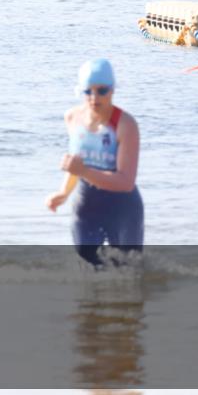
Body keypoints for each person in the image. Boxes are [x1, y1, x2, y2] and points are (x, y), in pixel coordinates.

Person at [46, 59, 144, 267]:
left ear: (113, 90)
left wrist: (83, 170)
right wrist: (63, 193)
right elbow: (76, 164)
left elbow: (125, 181)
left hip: (122, 206)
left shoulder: (125, 125)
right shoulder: (72, 117)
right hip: (87, 201)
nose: (94, 97)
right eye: (87, 91)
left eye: (101, 91)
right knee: (86, 259)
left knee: (128, 269)